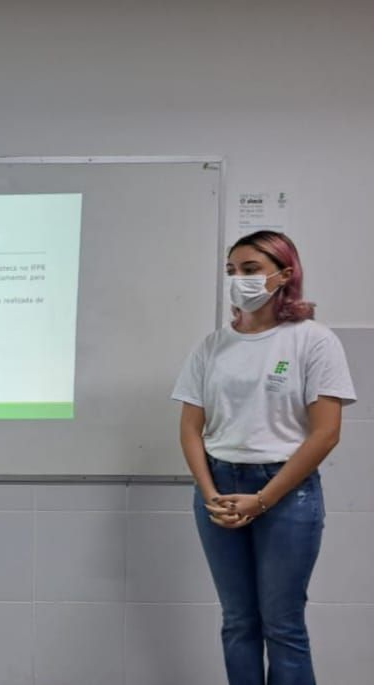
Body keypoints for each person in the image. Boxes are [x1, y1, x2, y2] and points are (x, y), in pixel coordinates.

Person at [172, 230, 355, 684]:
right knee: (238, 621)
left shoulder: (313, 340)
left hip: (286, 491)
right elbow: (191, 429)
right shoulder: (211, 346)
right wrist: (210, 494)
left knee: (283, 624)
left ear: (285, 274)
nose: (239, 280)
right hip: (219, 487)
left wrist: (262, 499)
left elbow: (326, 433)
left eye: (251, 269)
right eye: (232, 271)